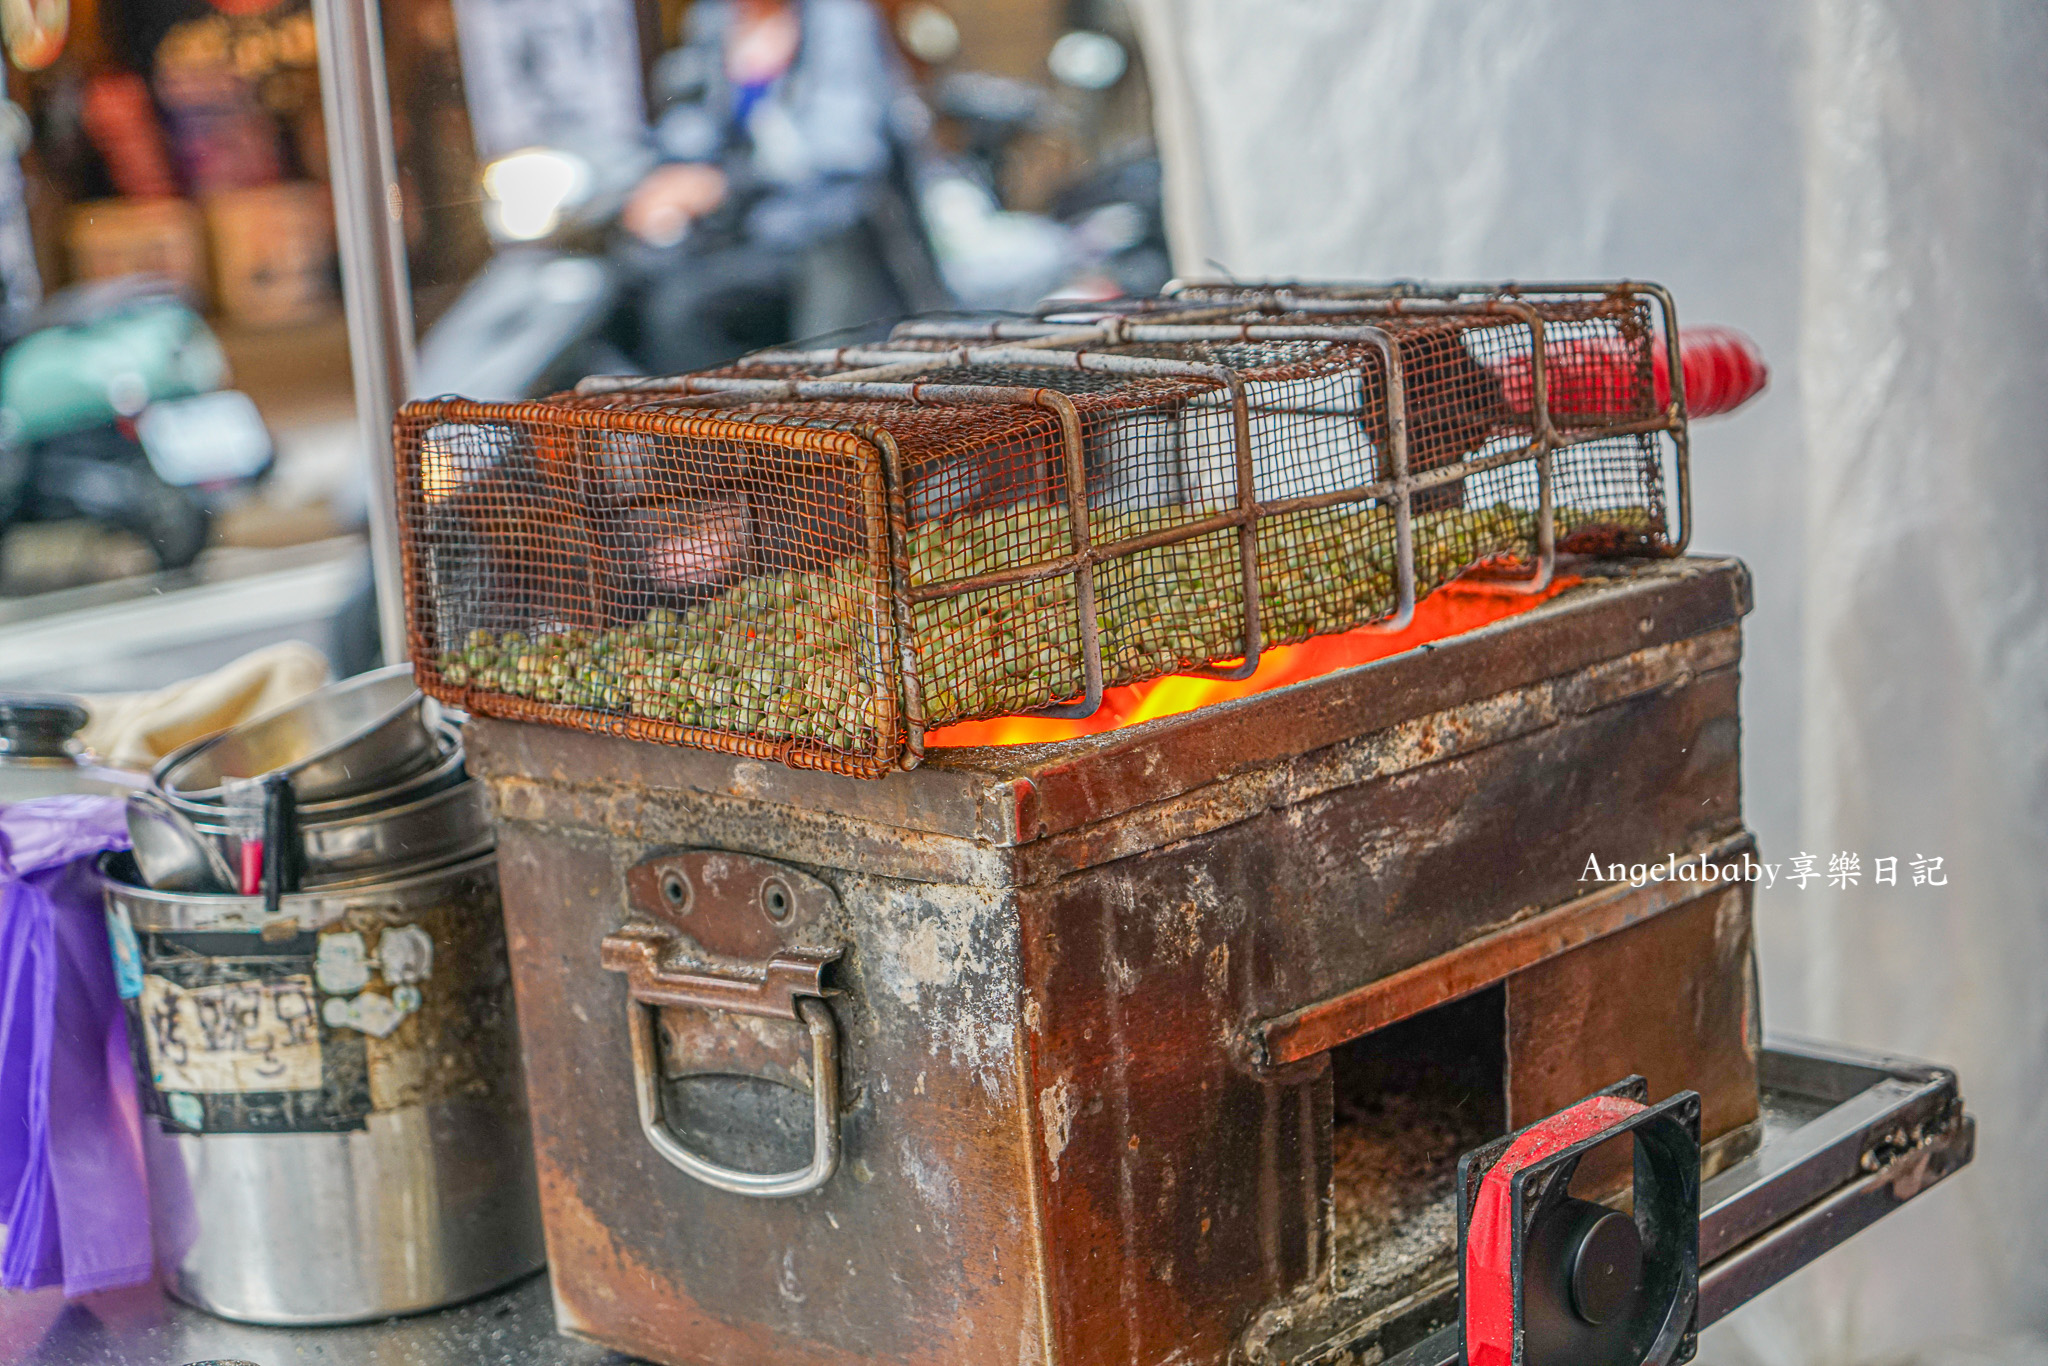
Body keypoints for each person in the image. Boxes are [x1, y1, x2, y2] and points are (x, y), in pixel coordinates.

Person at [620, 0, 928, 373]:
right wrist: (667, 178)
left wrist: (727, 182)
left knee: (682, 312)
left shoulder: (836, 18)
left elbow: (845, 147)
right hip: (748, 233)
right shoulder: (716, 18)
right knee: (635, 285)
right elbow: (695, 119)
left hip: (826, 233)